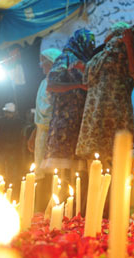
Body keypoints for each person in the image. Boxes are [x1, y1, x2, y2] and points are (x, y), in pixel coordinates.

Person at [76, 23, 134, 169]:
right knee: (96, 161)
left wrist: (128, 44)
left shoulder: (122, 47)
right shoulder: (102, 54)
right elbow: (88, 83)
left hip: (114, 110)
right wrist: (84, 68)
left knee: (116, 157)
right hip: (95, 112)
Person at [43, 29, 95, 177]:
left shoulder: (85, 61)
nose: (90, 45)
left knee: (77, 175)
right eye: (88, 42)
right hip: (64, 123)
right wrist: (77, 86)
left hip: (79, 123)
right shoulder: (65, 58)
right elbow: (51, 85)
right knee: (62, 174)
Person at [27, 48, 61, 211]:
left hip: (54, 131)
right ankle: (38, 209)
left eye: (44, 61)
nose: (41, 65)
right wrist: (35, 132)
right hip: (42, 131)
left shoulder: (59, 80)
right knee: (39, 170)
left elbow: (55, 109)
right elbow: (40, 112)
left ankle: (50, 210)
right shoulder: (43, 82)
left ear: (52, 62)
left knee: (52, 172)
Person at [0, 102, 24, 183]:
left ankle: (10, 186)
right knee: (0, 168)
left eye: (8, 112)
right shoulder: (1, 121)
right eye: (5, 112)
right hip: (1, 150)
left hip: (13, 151)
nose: (6, 114)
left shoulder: (19, 122)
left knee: (11, 170)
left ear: (13, 113)